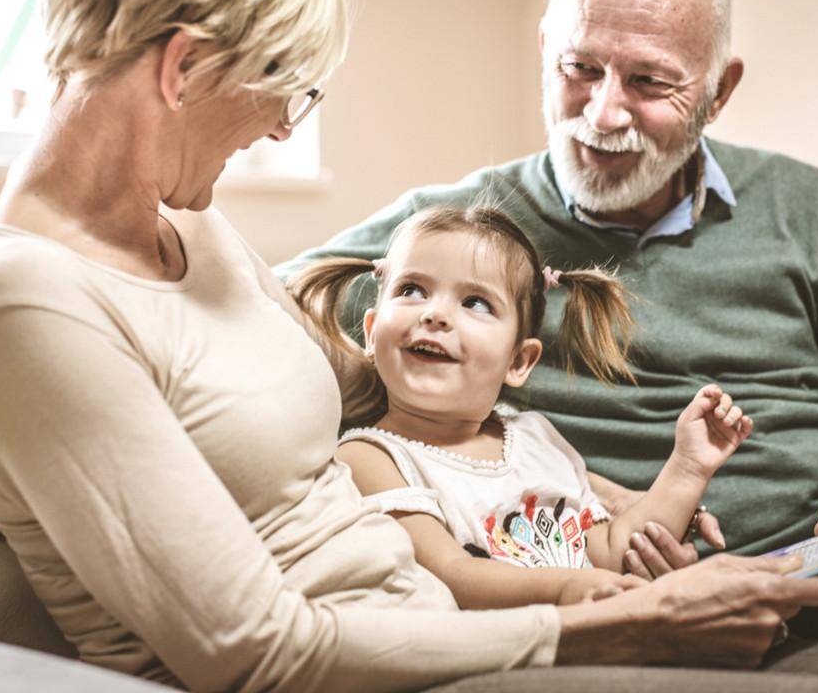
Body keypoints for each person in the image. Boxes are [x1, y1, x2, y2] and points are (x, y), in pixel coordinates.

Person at [0, 0, 818, 690]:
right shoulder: (452, 237)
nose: (604, 111)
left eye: (651, 83)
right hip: (515, 603)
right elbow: (77, 330)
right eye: (578, 69)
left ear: (721, 89)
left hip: (704, 570)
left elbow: (254, 325)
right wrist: (601, 607)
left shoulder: (190, 227)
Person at [289, 204, 753, 608]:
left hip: (603, 628)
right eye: (412, 290)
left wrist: (688, 468)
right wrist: (574, 589)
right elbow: (452, 576)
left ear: (519, 361)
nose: (434, 313)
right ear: (371, 331)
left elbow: (612, 549)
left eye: (474, 302)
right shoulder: (371, 456)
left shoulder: (533, 437)